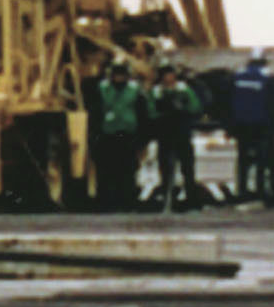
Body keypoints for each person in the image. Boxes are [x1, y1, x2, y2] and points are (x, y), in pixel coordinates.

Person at [87, 58, 148, 213]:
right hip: (108, 136)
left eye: (122, 74)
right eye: (116, 74)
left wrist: (142, 138)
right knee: (107, 170)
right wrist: (95, 135)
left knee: (127, 170)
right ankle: (107, 203)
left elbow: (142, 113)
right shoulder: (102, 89)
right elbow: (95, 113)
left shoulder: (135, 90)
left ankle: (127, 202)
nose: (119, 78)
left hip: (128, 135)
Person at [225, 49, 274, 205]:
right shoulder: (268, 78)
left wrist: (229, 128)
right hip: (262, 126)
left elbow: (228, 103)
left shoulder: (236, 77)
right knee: (261, 160)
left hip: (241, 125)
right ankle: (259, 191)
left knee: (242, 159)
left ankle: (242, 190)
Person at [148, 63, 202, 213]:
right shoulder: (156, 92)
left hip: (182, 132)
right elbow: (151, 111)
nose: (169, 78)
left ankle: (191, 200)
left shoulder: (184, 90)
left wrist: (183, 109)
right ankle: (167, 198)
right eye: (166, 75)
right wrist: (162, 115)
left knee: (187, 167)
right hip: (165, 133)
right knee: (165, 168)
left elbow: (195, 106)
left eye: (171, 74)